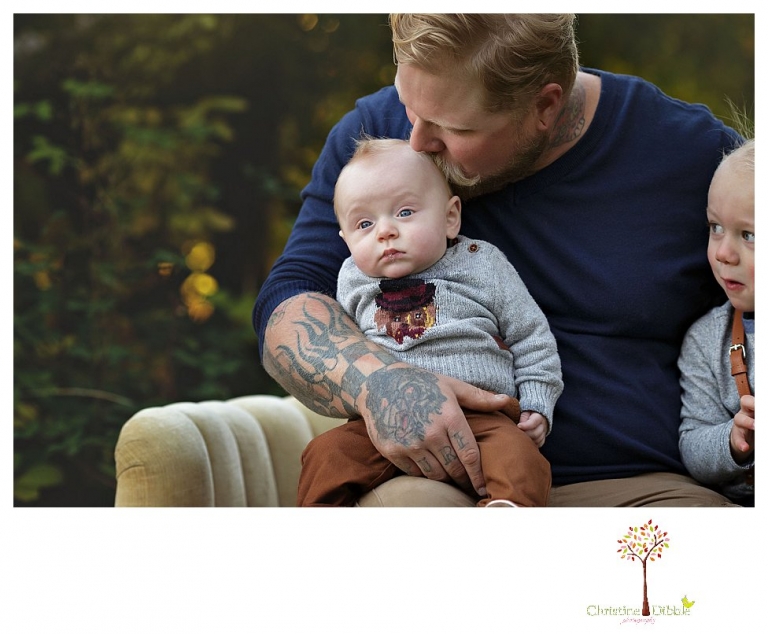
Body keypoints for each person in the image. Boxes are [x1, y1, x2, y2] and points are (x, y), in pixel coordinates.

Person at [253, 14, 744, 506]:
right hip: (430, 475)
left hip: (640, 484)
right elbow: (289, 297)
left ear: (545, 106)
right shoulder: (375, 144)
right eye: (408, 105)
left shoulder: (691, 154)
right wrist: (376, 382)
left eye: (453, 127)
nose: (418, 142)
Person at [297, 137, 562, 507]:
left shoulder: (481, 264)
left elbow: (532, 336)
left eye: (405, 212)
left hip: (482, 418)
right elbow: (344, 350)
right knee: (326, 454)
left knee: (521, 460)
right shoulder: (352, 279)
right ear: (345, 239)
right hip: (385, 421)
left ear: (450, 217)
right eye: (364, 223)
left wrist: (537, 402)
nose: (385, 231)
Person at [678, 139, 755, 505]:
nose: (723, 253)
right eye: (715, 227)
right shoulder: (708, 340)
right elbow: (692, 444)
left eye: (748, 235)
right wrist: (733, 439)